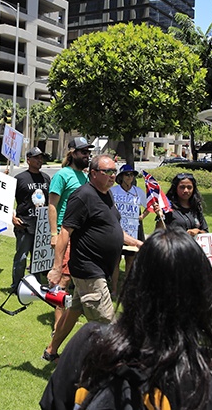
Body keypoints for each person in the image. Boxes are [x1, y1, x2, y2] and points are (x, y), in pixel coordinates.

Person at [40, 227, 212, 410]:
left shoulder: (90, 342)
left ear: (135, 284)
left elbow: (53, 403)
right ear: (204, 296)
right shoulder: (211, 389)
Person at [43, 155, 142, 362]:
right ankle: (115, 366)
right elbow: (64, 233)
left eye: (115, 172)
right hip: (89, 270)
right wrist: (56, 267)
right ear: (93, 173)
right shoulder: (83, 196)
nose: (113, 176)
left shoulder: (107, 195)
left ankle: (51, 351)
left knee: (73, 313)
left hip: (99, 269)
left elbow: (111, 227)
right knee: (108, 323)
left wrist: (136, 242)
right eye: (108, 172)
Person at [46, 136, 93, 335]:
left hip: (83, 236)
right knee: (63, 281)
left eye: (89, 152)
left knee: (78, 279)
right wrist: (54, 233)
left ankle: (71, 319)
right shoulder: (62, 175)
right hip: (67, 234)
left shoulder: (86, 177)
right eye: (84, 152)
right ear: (73, 153)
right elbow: (52, 205)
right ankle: (57, 328)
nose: (87, 156)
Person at [11, 147, 51, 292]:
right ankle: (16, 286)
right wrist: (13, 217)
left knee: (38, 259)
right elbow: (8, 200)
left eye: (41, 158)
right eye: (37, 158)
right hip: (24, 224)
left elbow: (50, 202)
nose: (40, 160)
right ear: (28, 160)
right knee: (21, 258)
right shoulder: (20, 178)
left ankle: (36, 287)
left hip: (41, 226)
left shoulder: (46, 178)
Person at [109, 163, 148, 295]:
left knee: (130, 261)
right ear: (121, 177)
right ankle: (114, 289)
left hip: (133, 230)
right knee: (115, 260)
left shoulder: (138, 192)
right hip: (117, 230)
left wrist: (143, 216)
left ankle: (127, 289)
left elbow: (151, 204)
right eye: (127, 174)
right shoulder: (113, 191)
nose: (129, 177)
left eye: (132, 175)